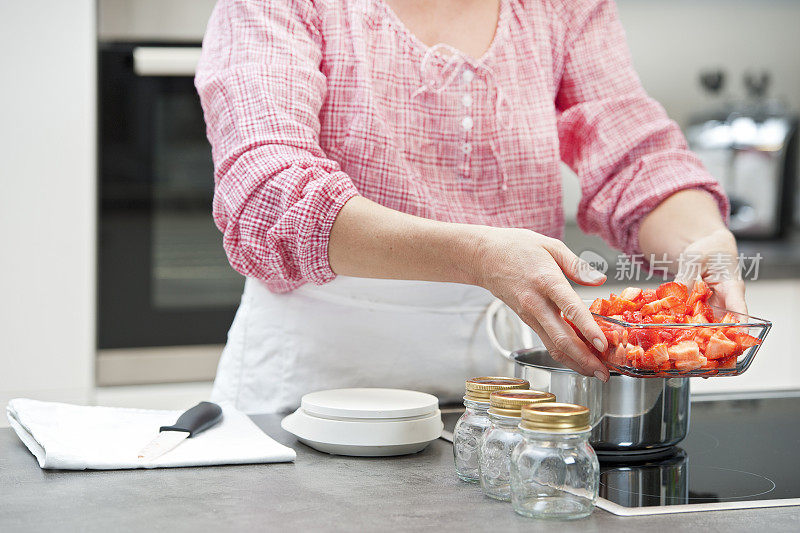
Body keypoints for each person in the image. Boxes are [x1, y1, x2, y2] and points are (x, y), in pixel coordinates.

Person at [196, 0, 745, 413]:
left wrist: (701, 240)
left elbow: (633, 157)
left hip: (504, 404)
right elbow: (269, 193)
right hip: (306, 397)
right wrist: (477, 256)